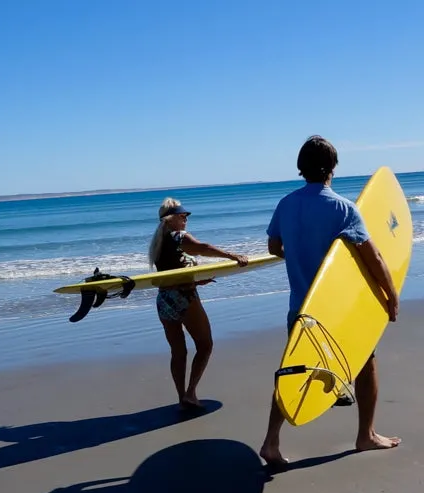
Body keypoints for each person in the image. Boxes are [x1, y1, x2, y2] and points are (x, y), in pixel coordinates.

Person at [259, 135, 400, 468]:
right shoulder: (343, 208)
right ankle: (366, 435)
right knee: (365, 365)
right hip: (338, 312)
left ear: (300, 168)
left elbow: (274, 247)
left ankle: (270, 442)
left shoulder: (286, 204)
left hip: (301, 309)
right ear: (332, 169)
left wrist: (300, 253)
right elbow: (374, 258)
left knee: (293, 372)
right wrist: (391, 297)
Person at [148, 197, 249, 410]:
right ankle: (191, 392)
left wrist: (196, 279)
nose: (186, 220)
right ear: (170, 219)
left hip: (164, 300)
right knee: (205, 345)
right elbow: (202, 248)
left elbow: (172, 272)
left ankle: (181, 397)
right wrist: (232, 256)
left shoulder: (159, 242)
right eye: (182, 216)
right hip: (184, 298)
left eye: (186, 217)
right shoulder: (178, 236)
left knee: (178, 352)